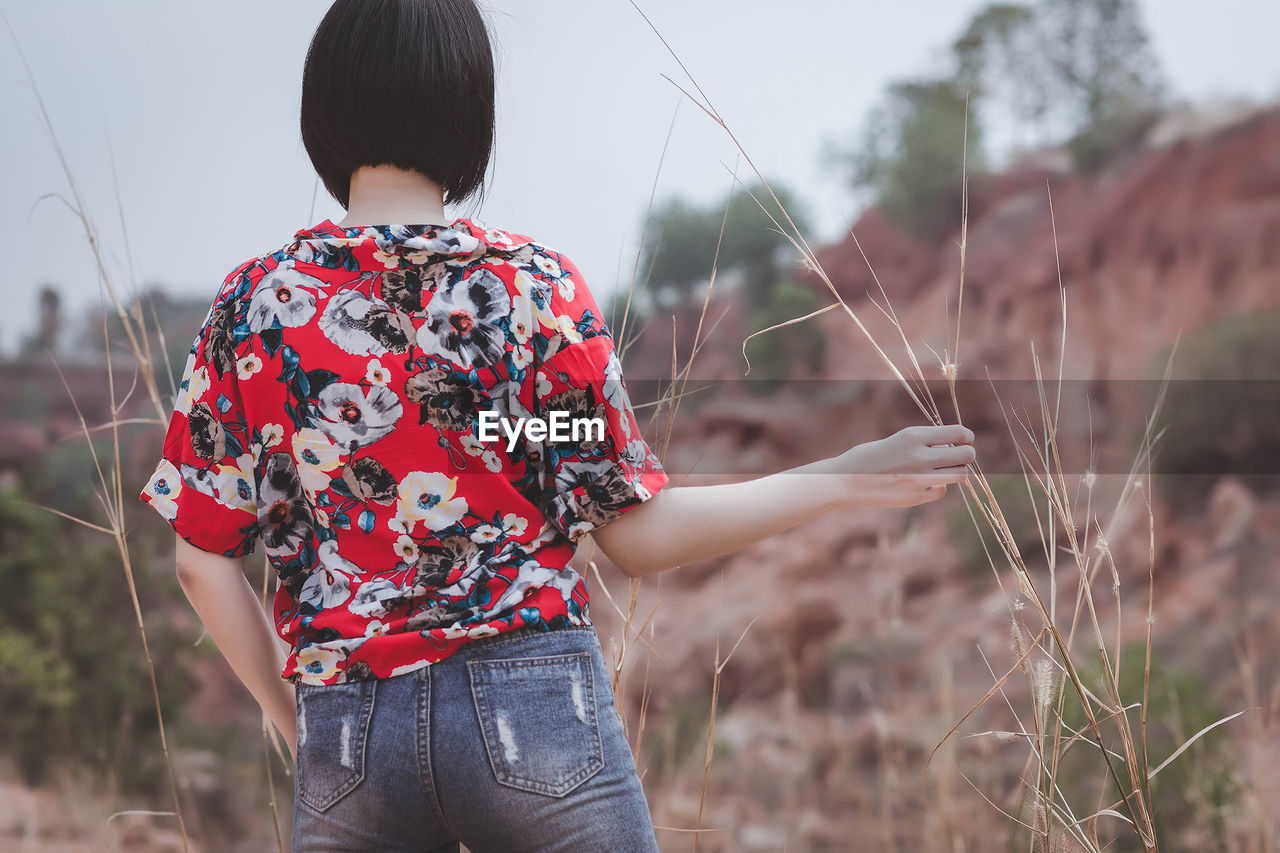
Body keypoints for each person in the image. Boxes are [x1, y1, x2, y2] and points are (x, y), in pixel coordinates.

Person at [137, 1, 976, 850]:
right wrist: (840, 477)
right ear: (470, 112)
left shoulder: (254, 307)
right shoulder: (531, 291)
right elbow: (635, 534)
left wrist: (300, 723)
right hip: (532, 711)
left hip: (349, 729)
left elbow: (201, 559)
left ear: (321, 108)